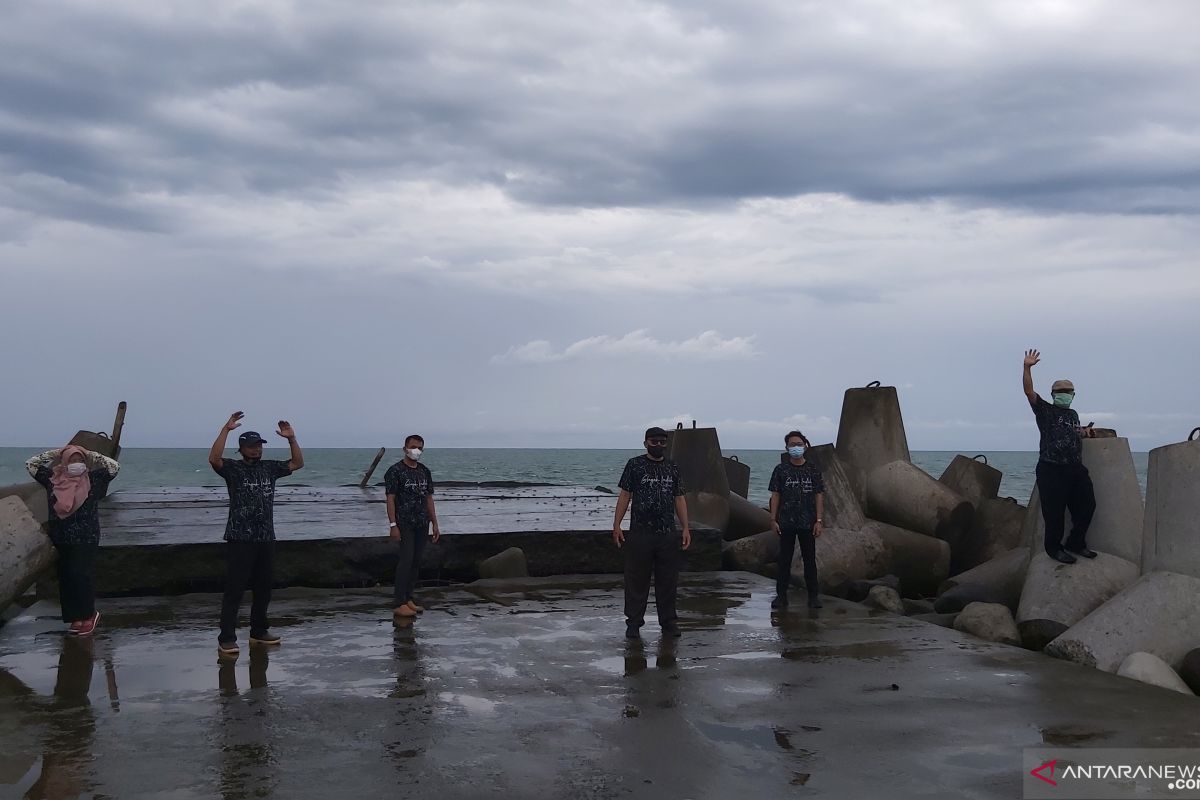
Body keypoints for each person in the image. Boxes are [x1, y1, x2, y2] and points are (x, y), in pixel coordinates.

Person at [208, 412, 304, 659]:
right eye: (251, 447)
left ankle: (259, 631)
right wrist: (225, 430)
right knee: (235, 589)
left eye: (259, 446)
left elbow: (297, 463)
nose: (256, 450)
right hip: (240, 537)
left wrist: (292, 439)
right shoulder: (233, 468)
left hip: (265, 537)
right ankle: (227, 637)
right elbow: (214, 458)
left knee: (263, 588)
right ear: (242, 449)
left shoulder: (270, 468)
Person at [26, 445, 120, 636]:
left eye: (80, 460)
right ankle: (75, 618)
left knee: (80, 576)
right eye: (72, 460)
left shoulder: (94, 479)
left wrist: (90, 453)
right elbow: (31, 464)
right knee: (67, 579)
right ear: (64, 462)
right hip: (61, 537)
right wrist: (56, 453)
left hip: (86, 536)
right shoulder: (53, 480)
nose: (76, 464)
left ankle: (89, 615)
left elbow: (114, 467)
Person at [613, 427, 691, 639]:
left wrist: (685, 527)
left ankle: (668, 622)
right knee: (636, 580)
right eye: (654, 442)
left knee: (668, 581)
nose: (658, 446)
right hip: (640, 532)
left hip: (667, 533)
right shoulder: (635, 465)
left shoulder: (672, 467)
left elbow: (679, 498)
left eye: (662, 442)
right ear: (645, 442)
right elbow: (625, 495)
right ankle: (634, 623)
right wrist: (617, 525)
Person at [1023, 349, 1097, 564]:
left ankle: (1076, 543)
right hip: (1051, 469)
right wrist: (1027, 367)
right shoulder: (1045, 410)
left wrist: (1084, 432)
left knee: (1087, 506)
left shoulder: (1073, 414)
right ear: (1053, 394)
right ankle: (1054, 549)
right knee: (1054, 515)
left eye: (1068, 391)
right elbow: (1029, 392)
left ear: (1073, 395)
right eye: (1060, 391)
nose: (1064, 393)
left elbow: (1071, 432)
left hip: (1075, 468)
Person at [384, 435, 440, 620]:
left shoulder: (424, 471)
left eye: (420, 448)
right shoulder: (395, 471)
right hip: (404, 523)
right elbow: (390, 499)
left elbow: (429, 498)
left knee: (416, 562)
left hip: (422, 522)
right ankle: (399, 602)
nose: (416, 450)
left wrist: (435, 523)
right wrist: (393, 525)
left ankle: (409, 598)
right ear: (405, 448)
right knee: (406, 561)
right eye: (413, 447)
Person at [768, 431, 825, 609]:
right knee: (784, 559)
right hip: (786, 521)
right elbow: (775, 495)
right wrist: (773, 519)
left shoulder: (813, 470)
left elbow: (819, 496)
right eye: (792, 444)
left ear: (805, 446)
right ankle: (781, 596)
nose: (796, 447)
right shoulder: (781, 469)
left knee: (809, 560)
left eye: (799, 444)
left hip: (807, 522)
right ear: (786, 447)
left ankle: (813, 596)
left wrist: (819, 520)